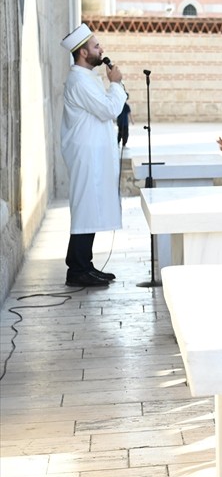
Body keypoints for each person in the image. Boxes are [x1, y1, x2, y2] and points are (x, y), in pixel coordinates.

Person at [59, 24, 127, 287]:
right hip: (85, 154)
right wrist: (117, 84)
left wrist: (113, 86)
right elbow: (108, 110)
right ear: (84, 53)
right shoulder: (78, 80)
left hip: (93, 153)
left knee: (92, 206)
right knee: (86, 208)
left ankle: (84, 265)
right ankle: (76, 269)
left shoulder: (87, 78)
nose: (102, 50)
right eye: (96, 46)